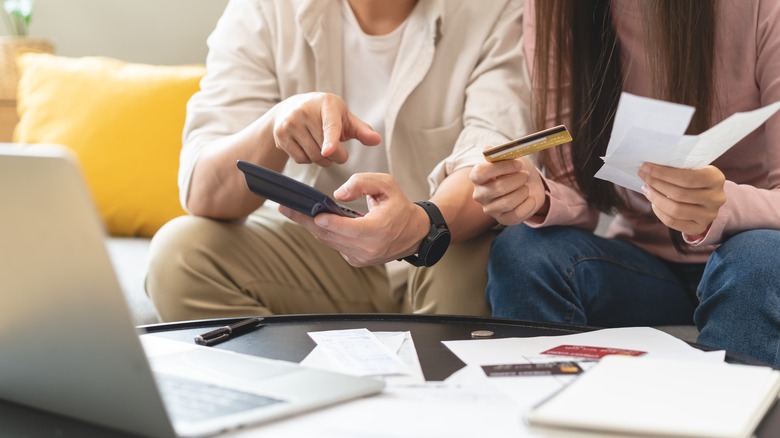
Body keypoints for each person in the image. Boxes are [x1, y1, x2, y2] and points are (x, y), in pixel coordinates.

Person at [145, 0, 530, 321]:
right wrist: (274, 126)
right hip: (319, 252)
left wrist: (420, 223)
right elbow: (204, 194)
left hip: (441, 242)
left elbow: (496, 158)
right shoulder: (264, 9)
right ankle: (298, 394)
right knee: (179, 255)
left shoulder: (499, 10)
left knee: (485, 259)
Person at [469, 0, 780, 367]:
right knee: (523, 249)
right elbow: (578, 187)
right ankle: (544, 414)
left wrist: (722, 205)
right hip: (642, 263)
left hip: (752, 251)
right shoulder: (555, 8)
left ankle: (728, 417)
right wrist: (539, 195)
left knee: (756, 260)